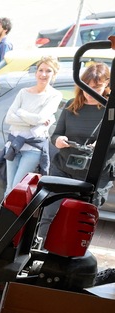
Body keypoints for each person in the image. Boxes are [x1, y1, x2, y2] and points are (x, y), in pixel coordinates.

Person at [39, 63, 113, 237]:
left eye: (96, 87)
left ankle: (72, 256)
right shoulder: (72, 105)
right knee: (50, 212)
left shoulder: (110, 109)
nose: (90, 92)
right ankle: (41, 248)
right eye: (87, 87)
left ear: (106, 86)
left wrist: (102, 143)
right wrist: (58, 140)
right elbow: (56, 133)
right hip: (64, 168)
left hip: (96, 173)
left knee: (82, 219)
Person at [0, 56, 63, 189]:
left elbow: (39, 118)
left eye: (48, 71)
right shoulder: (23, 92)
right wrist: (33, 120)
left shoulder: (55, 95)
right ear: (36, 72)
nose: (43, 74)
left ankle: (13, 210)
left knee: (17, 187)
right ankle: (5, 210)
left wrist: (21, 112)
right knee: (9, 187)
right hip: (14, 143)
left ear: (54, 74)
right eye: (40, 70)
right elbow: (9, 118)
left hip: (33, 147)